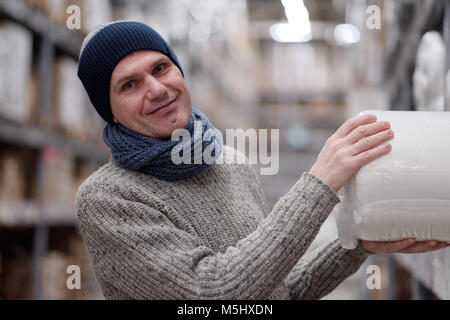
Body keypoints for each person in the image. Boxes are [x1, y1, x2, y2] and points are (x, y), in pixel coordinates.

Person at [75, 21, 448, 300]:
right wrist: (319, 183)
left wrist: (359, 246)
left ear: (179, 72)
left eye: (160, 68)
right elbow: (212, 294)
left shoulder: (230, 165)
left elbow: (276, 292)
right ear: (112, 114)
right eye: (129, 85)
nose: (157, 90)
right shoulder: (108, 199)